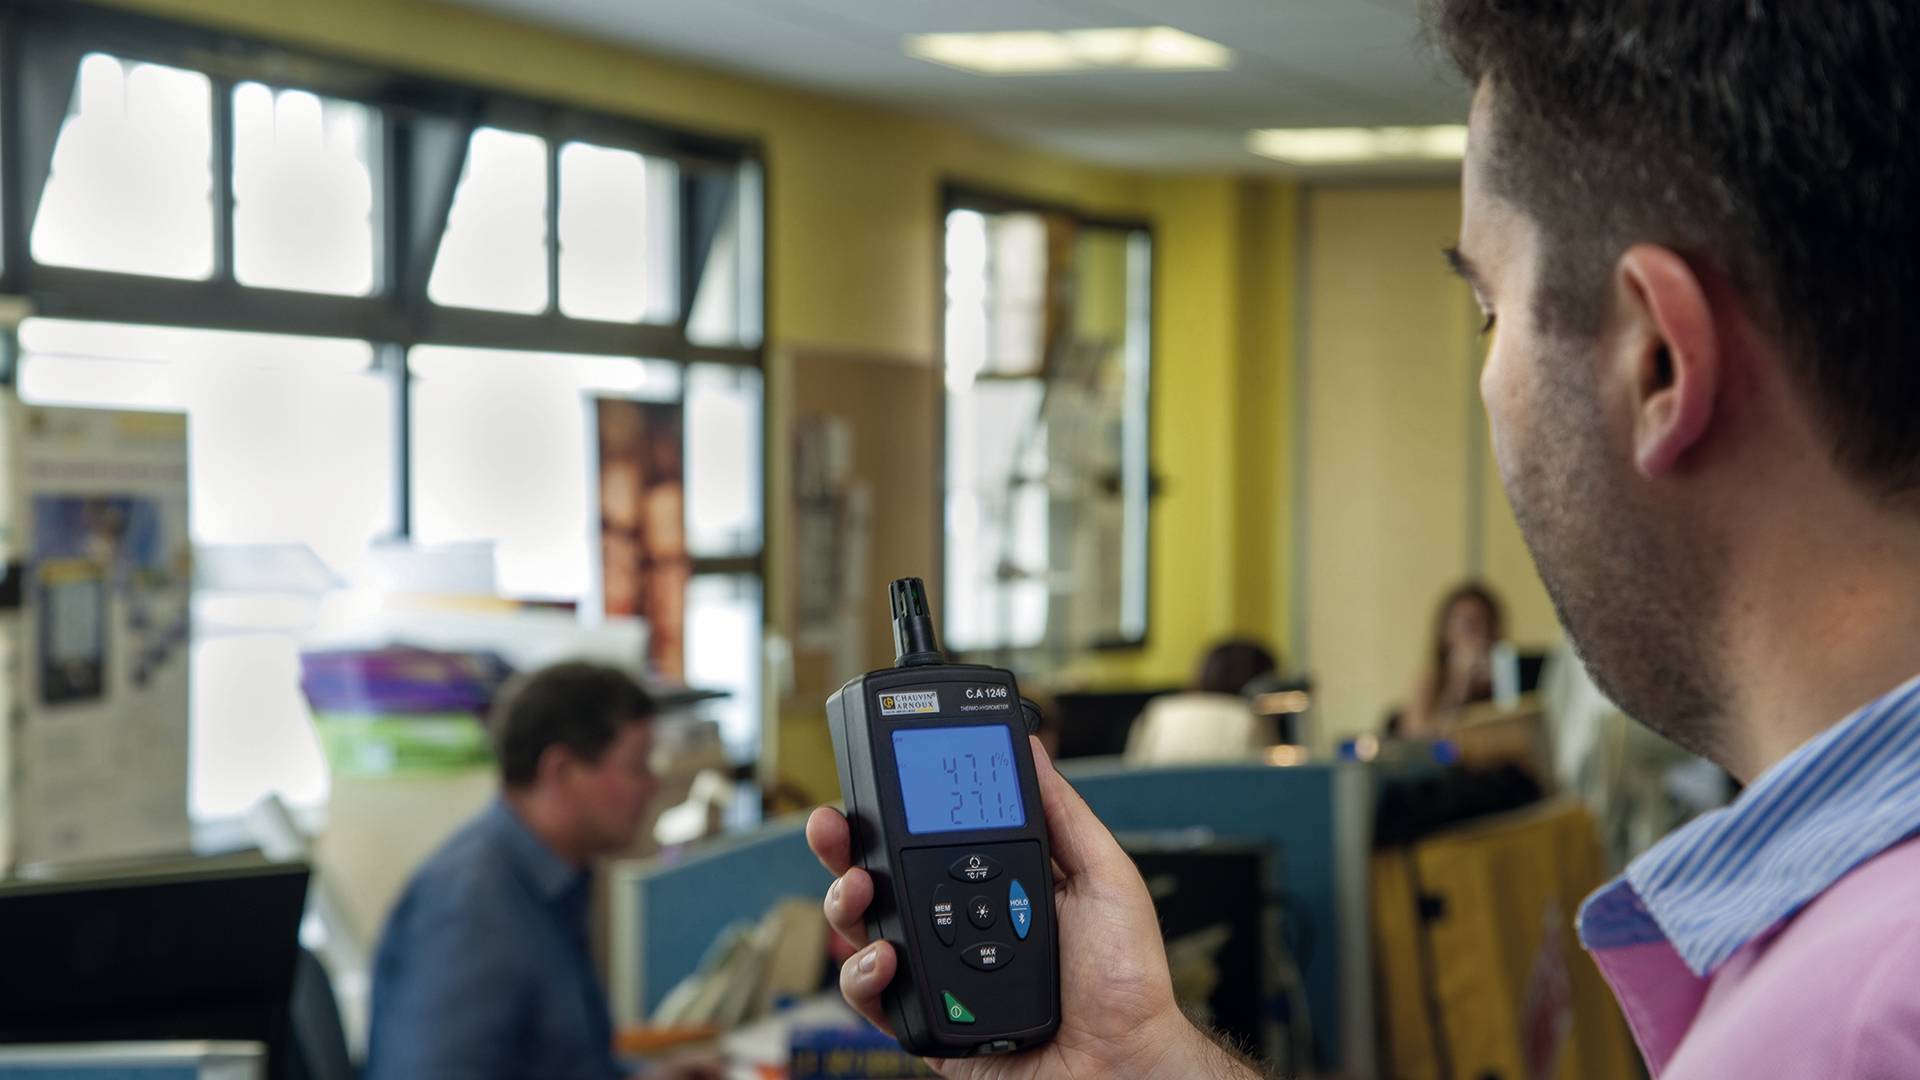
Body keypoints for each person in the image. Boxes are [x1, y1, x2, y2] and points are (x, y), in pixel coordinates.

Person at [810, 0, 1920, 1074]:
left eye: (1489, 312)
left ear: (1658, 363)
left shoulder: (1847, 1028)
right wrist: (1133, 1062)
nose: (1489, 381)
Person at [366, 662, 717, 1080]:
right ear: (561, 772)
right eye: (637, 764)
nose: (653, 784)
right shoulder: (470, 908)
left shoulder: (551, 879)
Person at [1125, 639, 1280, 763]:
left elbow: (1133, 771)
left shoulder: (1160, 711)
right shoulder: (1248, 718)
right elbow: (1267, 782)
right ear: (1261, 682)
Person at [1397, 583, 1504, 737]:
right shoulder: (1429, 680)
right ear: (1446, 632)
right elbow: (1417, 740)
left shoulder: (1505, 678)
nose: (1481, 634)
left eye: (1487, 624)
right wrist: (1458, 686)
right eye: (1468, 625)